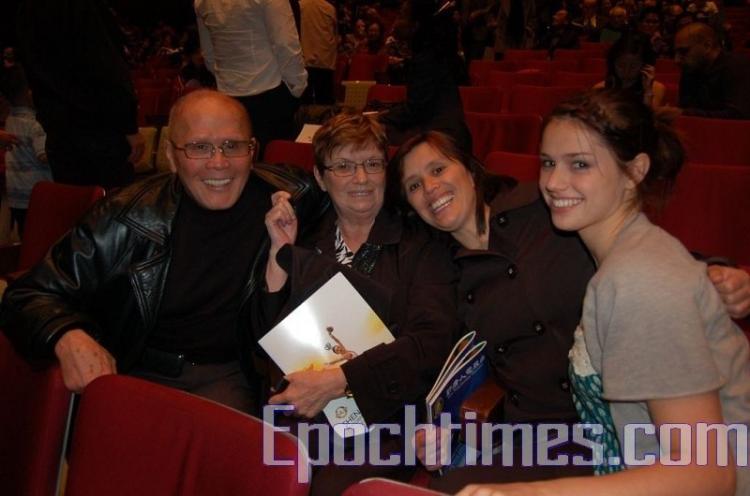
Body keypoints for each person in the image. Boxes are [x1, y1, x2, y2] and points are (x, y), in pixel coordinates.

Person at [388, 126, 750, 492]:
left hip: (616, 417)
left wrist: (718, 272)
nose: (430, 188)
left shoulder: (546, 208)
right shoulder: (440, 270)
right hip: (537, 429)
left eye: (437, 170)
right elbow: (441, 356)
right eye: (414, 186)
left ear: (469, 167)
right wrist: (432, 425)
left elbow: (640, 254)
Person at [1, 90, 320, 414]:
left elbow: (353, 184)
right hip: (132, 368)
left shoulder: (288, 196)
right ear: (171, 155)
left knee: (222, 456)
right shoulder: (125, 216)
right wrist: (67, 335)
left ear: (252, 150)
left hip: (227, 374)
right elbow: (26, 295)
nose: (219, 162)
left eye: (233, 145)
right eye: (199, 147)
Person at [257, 112, 459, 495]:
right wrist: (280, 252)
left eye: (371, 164)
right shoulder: (310, 239)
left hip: (392, 417)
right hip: (312, 409)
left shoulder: (421, 243)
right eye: (344, 166)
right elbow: (272, 334)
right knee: (262, 472)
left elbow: (430, 344)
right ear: (320, 176)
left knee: (326, 489)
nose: (361, 179)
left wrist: (338, 381)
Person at [15, 0, 144, 188]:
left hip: (58, 129)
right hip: (99, 128)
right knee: (110, 207)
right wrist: (128, 125)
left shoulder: (27, 8)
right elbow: (106, 67)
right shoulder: (81, 7)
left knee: (75, 206)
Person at [195, 0, 308, 151]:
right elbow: (286, 44)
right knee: (273, 164)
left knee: (235, 160)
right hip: (269, 94)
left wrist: (224, 77)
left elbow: (208, 54)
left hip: (227, 95)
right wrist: (297, 87)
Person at [0, 65, 52, 236]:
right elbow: (43, 156)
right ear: (29, 92)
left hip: (16, 194)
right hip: (35, 194)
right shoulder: (35, 124)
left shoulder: (10, 120)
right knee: (42, 236)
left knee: (26, 237)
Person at [674, 23, 750, 119]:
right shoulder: (690, 70)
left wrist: (683, 113)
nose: (676, 60)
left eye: (684, 52)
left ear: (707, 46)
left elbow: (739, 115)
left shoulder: (738, 67)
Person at [594, 31, 666, 107]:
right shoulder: (600, 88)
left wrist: (648, 92)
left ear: (645, 66)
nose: (626, 71)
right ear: (613, 63)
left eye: (633, 66)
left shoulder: (656, 88)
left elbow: (648, 117)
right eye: (621, 65)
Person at [299, 0, 338, 105]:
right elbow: (335, 35)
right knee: (324, 103)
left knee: (304, 103)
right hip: (325, 60)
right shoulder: (329, 8)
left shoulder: (300, 6)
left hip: (304, 59)